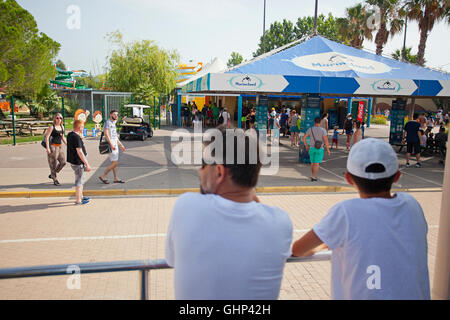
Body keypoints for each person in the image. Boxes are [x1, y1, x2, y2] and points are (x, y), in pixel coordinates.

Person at [292, 138, 430, 300]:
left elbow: (298, 249)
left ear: (349, 179)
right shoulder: (412, 205)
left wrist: (327, 244)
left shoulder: (346, 212)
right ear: (397, 176)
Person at [165, 128, 293, 299]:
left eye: (203, 164)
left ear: (219, 172)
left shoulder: (186, 206)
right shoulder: (281, 223)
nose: (199, 170)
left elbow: (171, 260)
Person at [67, 120, 92, 205]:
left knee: (81, 179)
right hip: (78, 162)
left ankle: (81, 196)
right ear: (79, 127)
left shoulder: (70, 135)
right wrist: (87, 164)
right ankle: (78, 200)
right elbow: (79, 151)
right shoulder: (76, 137)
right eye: (82, 127)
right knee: (79, 181)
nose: (83, 128)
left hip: (74, 161)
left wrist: (81, 138)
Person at [99, 110, 126, 184]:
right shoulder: (107, 123)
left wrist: (121, 145)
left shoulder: (114, 123)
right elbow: (106, 135)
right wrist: (111, 144)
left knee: (114, 162)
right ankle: (103, 175)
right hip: (111, 145)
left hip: (115, 144)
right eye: (114, 114)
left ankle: (115, 178)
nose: (116, 116)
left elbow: (115, 136)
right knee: (115, 163)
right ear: (110, 115)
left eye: (117, 114)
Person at [303, 117, 331, 182]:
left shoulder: (310, 129)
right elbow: (326, 141)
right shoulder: (323, 130)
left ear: (314, 122)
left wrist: (307, 145)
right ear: (320, 122)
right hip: (319, 148)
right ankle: (314, 176)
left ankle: (313, 175)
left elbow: (304, 138)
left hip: (311, 148)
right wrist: (328, 149)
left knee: (312, 163)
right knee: (316, 163)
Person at [44, 113, 67, 186]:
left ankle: (53, 173)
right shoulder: (52, 127)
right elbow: (47, 138)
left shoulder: (62, 127)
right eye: (57, 118)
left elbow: (63, 137)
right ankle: (55, 179)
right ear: (54, 118)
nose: (59, 119)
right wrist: (48, 148)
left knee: (63, 162)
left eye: (60, 118)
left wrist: (68, 145)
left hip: (59, 147)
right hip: (53, 147)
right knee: (53, 164)